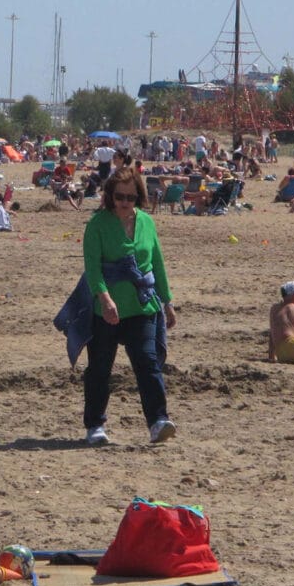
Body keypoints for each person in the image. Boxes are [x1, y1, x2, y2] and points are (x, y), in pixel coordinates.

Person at [81, 167, 177, 446]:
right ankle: (95, 426)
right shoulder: (97, 224)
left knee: (148, 363)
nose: (125, 202)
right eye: (120, 196)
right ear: (110, 196)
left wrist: (167, 302)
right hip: (106, 310)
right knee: (100, 368)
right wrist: (105, 299)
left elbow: (156, 263)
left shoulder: (147, 222)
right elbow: (93, 268)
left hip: (143, 306)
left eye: (131, 198)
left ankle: (158, 421)